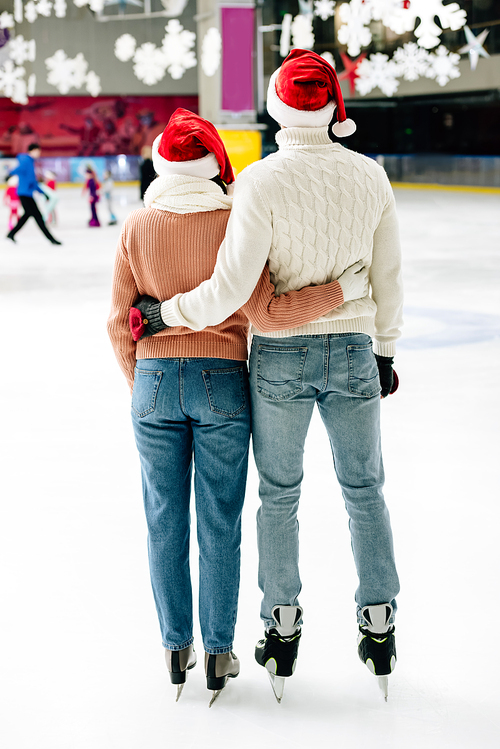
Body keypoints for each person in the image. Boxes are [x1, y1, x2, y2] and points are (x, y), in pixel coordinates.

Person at [133, 50, 404, 702]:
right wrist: (386, 348)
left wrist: (166, 313)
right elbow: (390, 274)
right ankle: (379, 618)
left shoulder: (257, 181)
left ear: (276, 108)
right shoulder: (371, 177)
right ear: (333, 108)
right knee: (364, 487)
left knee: (279, 493)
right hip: (352, 347)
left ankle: (281, 624)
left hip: (279, 354)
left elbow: (230, 286)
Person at [6, 143, 61, 245]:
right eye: (38, 151)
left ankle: (11, 234)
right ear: (33, 150)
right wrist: (10, 174)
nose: (39, 154)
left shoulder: (30, 162)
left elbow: (33, 181)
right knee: (38, 217)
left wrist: (43, 193)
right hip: (24, 193)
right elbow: (19, 169)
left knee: (27, 215)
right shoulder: (26, 160)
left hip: (27, 193)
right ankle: (51, 239)